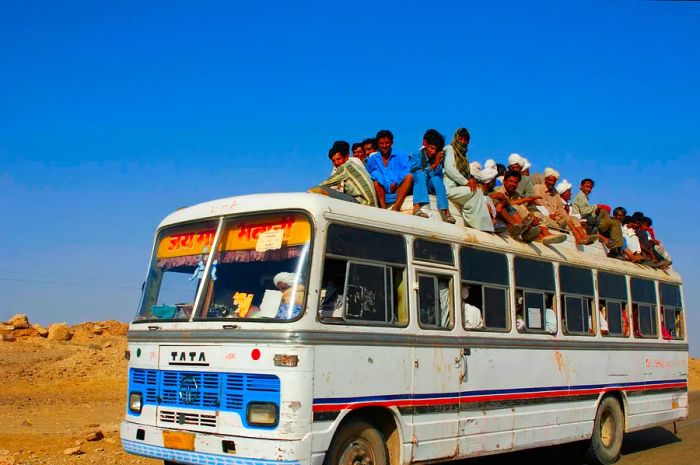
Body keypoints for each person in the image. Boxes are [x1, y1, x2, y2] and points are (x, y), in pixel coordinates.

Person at [491, 171, 566, 244]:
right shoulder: (498, 190)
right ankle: (536, 235)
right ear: (504, 181)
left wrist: (532, 217)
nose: (513, 184)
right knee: (515, 207)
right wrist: (526, 199)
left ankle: (545, 234)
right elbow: (506, 204)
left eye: (516, 182)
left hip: (519, 220)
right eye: (511, 181)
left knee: (537, 214)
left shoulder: (516, 195)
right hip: (504, 218)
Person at [442, 128, 494, 231]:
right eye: (461, 138)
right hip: (449, 188)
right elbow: (450, 169)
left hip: (459, 187)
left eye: (465, 140)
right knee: (476, 191)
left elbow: (465, 175)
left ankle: (481, 223)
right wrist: (466, 182)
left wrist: (470, 181)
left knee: (477, 191)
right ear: (457, 138)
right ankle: (483, 225)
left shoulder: (464, 156)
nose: (463, 142)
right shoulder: (449, 149)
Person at [534, 168, 596, 245]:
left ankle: (582, 236)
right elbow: (538, 203)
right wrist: (550, 213)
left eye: (554, 181)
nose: (552, 182)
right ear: (545, 179)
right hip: (546, 217)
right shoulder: (538, 188)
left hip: (557, 219)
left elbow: (560, 208)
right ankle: (577, 236)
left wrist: (566, 217)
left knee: (572, 218)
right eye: (550, 180)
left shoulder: (555, 192)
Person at [309, 141, 378, 206]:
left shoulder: (345, 168)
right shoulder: (352, 165)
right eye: (333, 161)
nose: (336, 163)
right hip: (369, 203)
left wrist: (310, 192)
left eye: (338, 159)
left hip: (364, 203)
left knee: (319, 189)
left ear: (346, 157)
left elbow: (325, 183)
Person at [409, 129, 455, 223]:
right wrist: (433, 165)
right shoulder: (416, 155)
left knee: (436, 179)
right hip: (417, 185)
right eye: (431, 148)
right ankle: (416, 207)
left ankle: (445, 211)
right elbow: (415, 172)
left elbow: (437, 176)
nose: (433, 152)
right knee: (421, 174)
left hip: (429, 187)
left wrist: (437, 164)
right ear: (425, 143)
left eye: (436, 150)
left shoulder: (437, 159)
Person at [572, 178, 625, 257]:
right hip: (581, 219)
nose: (589, 189)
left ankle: (615, 248)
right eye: (587, 187)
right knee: (605, 213)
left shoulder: (584, 197)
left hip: (588, 219)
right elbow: (584, 211)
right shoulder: (581, 196)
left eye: (590, 188)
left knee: (615, 223)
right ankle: (614, 248)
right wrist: (596, 206)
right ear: (581, 186)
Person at [365, 130, 414, 211]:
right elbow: (368, 174)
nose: (384, 146)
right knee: (375, 182)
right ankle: (383, 208)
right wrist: (386, 184)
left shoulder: (401, 154)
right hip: (383, 192)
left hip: (399, 189)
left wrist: (396, 183)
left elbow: (408, 169)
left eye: (387, 143)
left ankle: (396, 207)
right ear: (378, 144)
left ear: (392, 142)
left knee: (409, 177)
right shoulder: (372, 159)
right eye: (381, 143)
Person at [474, 160, 508, 233]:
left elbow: (506, 201)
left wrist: (501, 204)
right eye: (493, 180)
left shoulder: (491, 190)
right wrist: (492, 197)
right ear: (488, 182)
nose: (495, 182)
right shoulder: (478, 188)